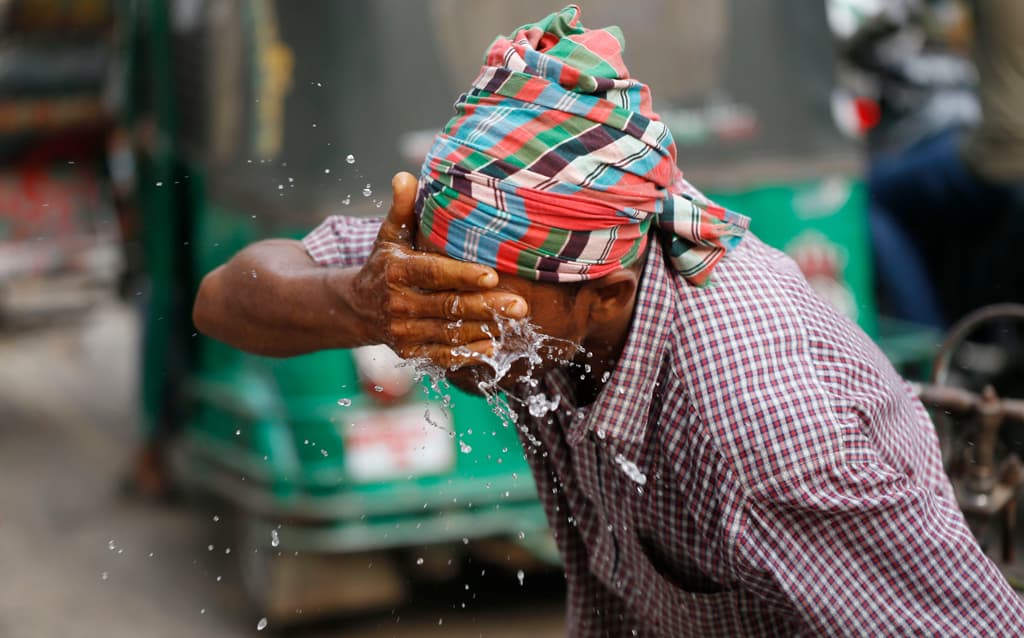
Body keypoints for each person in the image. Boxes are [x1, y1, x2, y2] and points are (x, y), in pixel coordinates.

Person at [193, 6, 1024, 635]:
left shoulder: (758, 424)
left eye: (491, 302)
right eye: (437, 283)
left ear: (609, 292)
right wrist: (359, 301)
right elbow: (222, 299)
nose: (453, 320)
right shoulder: (489, 267)